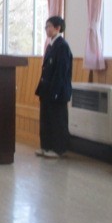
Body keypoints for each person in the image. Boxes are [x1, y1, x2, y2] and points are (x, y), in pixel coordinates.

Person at [35, 16, 73, 158]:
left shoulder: (62, 46)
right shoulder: (50, 45)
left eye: (49, 26)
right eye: (46, 27)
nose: (47, 29)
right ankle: (45, 146)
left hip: (58, 90)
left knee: (57, 120)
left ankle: (58, 149)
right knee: (46, 118)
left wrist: (55, 91)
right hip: (47, 89)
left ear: (58, 28)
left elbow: (61, 71)